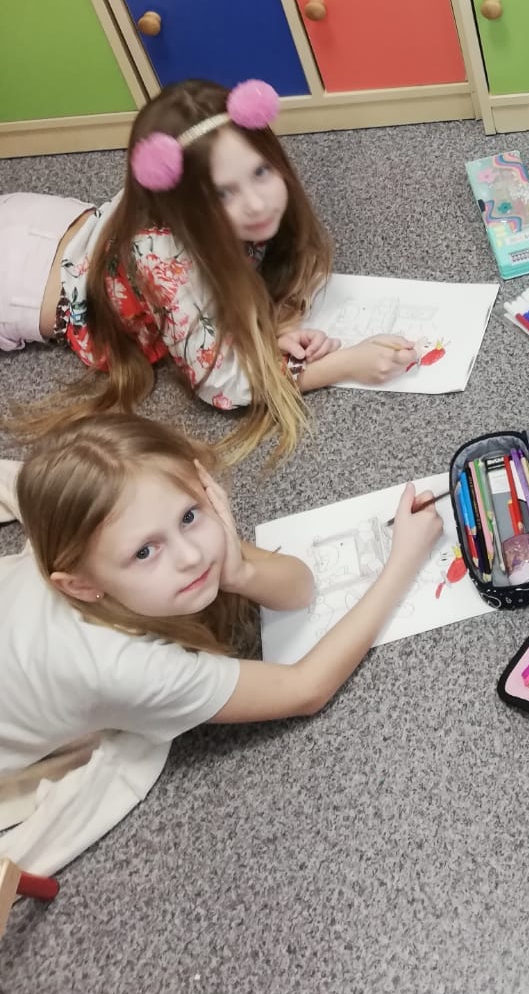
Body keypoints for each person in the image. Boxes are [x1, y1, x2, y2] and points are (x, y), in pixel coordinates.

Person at [0, 413, 442, 874]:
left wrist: (241, 572)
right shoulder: (129, 667)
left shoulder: (107, 545)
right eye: (144, 552)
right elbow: (306, 688)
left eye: (189, 515)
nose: (192, 557)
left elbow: (301, 588)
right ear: (81, 585)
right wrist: (403, 562)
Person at [1, 78, 416, 464]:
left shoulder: (200, 197)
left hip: (55, 221)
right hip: (19, 288)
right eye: (222, 194)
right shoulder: (164, 258)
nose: (257, 204)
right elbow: (222, 383)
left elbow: (275, 262)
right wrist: (343, 365)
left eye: (261, 172)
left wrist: (274, 326)